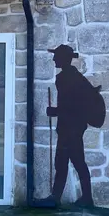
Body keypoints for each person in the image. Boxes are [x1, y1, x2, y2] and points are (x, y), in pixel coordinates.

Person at [40, 44, 98, 207]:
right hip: (72, 127)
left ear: (63, 59)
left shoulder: (66, 78)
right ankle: (61, 197)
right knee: (67, 162)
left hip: (70, 129)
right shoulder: (75, 76)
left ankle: (63, 198)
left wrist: (54, 111)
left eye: (56, 56)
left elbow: (71, 105)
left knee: (70, 162)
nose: (54, 59)